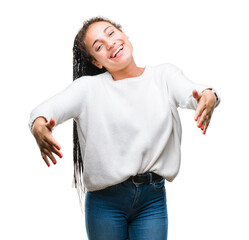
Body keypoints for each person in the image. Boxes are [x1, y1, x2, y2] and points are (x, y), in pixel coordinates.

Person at [28, 16, 220, 240]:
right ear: (96, 62)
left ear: (124, 35)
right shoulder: (88, 89)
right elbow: (45, 110)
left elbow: (195, 93)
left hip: (152, 200)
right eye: (98, 46)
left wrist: (209, 96)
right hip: (105, 203)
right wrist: (39, 125)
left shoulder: (164, 76)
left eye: (111, 33)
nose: (109, 44)